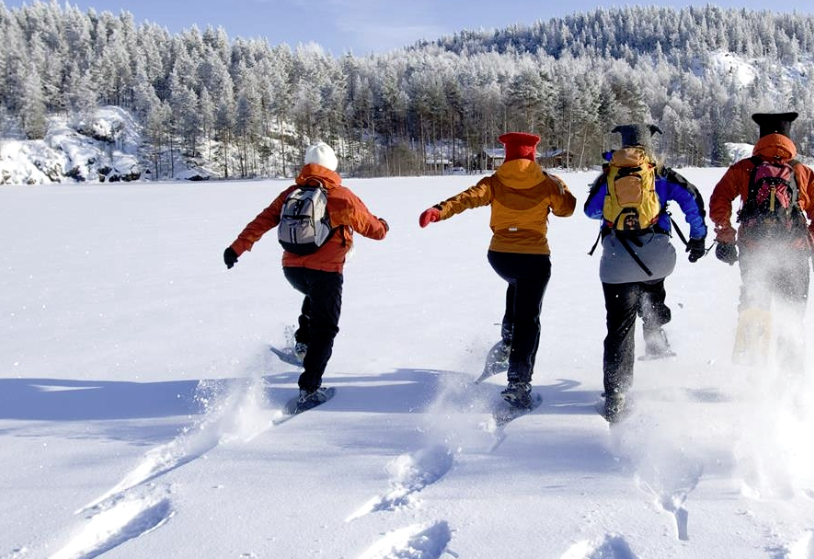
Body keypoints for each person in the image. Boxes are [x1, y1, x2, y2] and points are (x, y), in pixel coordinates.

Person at [223, 141, 388, 408]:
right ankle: (310, 388)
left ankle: (301, 344)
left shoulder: (292, 193)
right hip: (326, 272)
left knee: (313, 297)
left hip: (292, 270)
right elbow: (375, 231)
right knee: (325, 327)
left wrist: (236, 248)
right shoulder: (341, 196)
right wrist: (383, 224)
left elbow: (263, 220)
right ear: (332, 167)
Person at [418, 132, 576, 410]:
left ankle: (507, 340)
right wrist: (559, 183)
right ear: (532, 155)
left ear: (507, 156)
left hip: (500, 257)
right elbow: (567, 209)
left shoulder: (494, 181)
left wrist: (438, 210)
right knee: (529, 318)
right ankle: (518, 383)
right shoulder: (546, 182)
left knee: (516, 284)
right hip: (534, 258)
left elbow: (467, 198)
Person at [584, 123, 709, 421]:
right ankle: (654, 328)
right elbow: (692, 200)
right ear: (649, 148)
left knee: (619, 327)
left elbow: (590, 211)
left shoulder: (609, 176)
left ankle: (616, 394)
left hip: (617, 262)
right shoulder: (660, 175)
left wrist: (614, 208)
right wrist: (697, 238)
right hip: (657, 258)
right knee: (652, 286)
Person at [708, 112, 814, 369]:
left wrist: (726, 234)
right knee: (791, 321)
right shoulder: (802, 172)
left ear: (760, 138)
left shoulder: (744, 169)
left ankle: (755, 380)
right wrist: (808, 241)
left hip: (754, 254)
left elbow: (719, 199)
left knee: (755, 314)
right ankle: (790, 385)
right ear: (788, 138)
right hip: (794, 258)